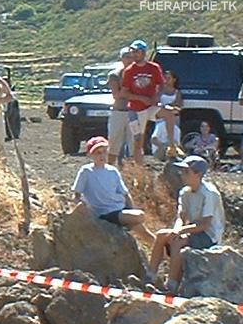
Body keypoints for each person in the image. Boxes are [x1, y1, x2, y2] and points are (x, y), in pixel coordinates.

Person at [147, 156, 225, 293]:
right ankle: (150, 278)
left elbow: (205, 225)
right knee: (161, 235)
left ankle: (171, 285)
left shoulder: (209, 193)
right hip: (191, 229)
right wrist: (177, 230)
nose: (182, 175)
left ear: (198, 175)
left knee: (178, 242)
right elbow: (181, 216)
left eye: (186, 172)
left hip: (208, 236)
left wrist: (181, 231)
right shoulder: (184, 192)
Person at [72, 136, 155, 245]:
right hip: (104, 213)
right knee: (140, 216)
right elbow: (76, 193)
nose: (102, 155)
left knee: (143, 231)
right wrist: (80, 207)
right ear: (90, 155)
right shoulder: (86, 171)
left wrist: (130, 208)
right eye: (98, 153)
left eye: (104, 152)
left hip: (119, 209)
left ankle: (166, 253)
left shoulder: (112, 171)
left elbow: (125, 194)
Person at [121, 40, 165, 168]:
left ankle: (173, 146)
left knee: (170, 115)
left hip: (151, 106)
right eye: (133, 52)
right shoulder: (129, 71)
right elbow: (124, 93)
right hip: (135, 110)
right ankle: (139, 168)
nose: (134, 55)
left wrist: (157, 96)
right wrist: (140, 98)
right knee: (138, 139)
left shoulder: (154, 68)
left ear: (144, 53)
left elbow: (161, 84)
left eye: (137, 52)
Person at [107, 47, 134, 165]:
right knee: (114, 143)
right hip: (119, 111)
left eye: (132, 57)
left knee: (134, 144)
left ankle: (134, 173)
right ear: (122, 58)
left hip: (134, 112)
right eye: (127, 57)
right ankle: (109, 168)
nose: (130, 60)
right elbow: (117, 95)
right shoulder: (115, 75)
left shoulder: (137, 75)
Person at [157, 70, 183, 158]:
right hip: (161, 117)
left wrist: (169, 106)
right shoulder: (160, 91)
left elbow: (178, 105)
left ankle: (173, 150)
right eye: (165, 78)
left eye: (169, 78)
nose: (166, 80)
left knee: (174, 135)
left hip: (173, 117)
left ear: (174, 79)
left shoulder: (177, 92)